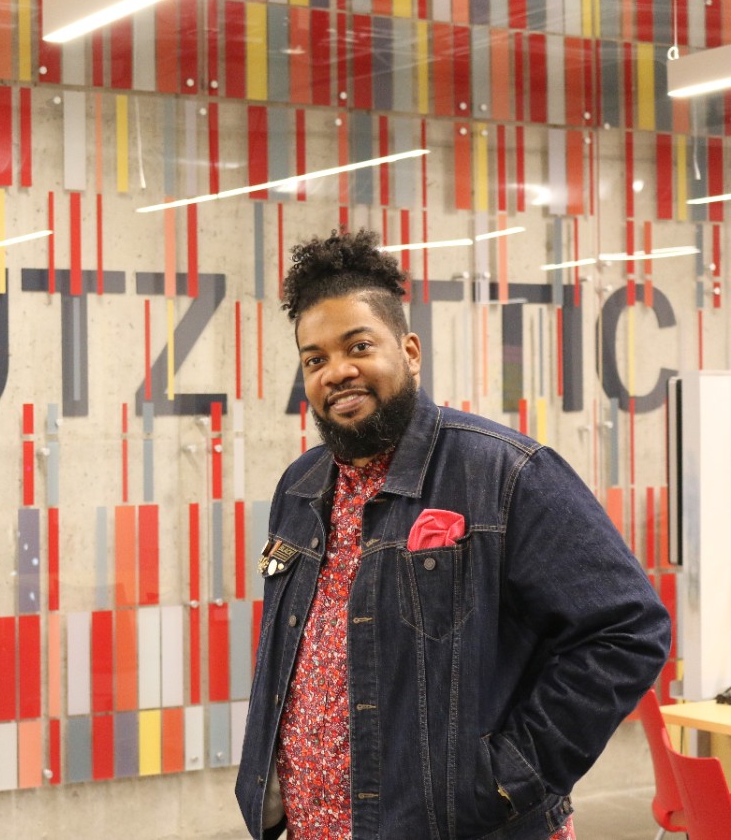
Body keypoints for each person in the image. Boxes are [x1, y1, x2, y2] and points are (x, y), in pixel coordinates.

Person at [234, 229, 671, 840]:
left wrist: (508, 776)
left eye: (358, 345)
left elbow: (627, 629)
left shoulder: (504, 472)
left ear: (410, 351)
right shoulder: (301, 486)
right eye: (315, 359)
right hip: (317, 827)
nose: (337, 371)